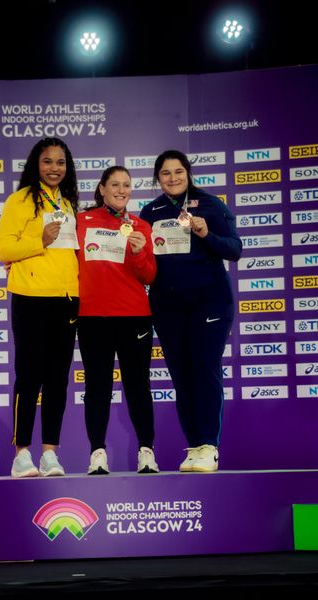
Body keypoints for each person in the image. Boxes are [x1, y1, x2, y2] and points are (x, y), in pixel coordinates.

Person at [139, 150, 242, 473]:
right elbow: (145, 264)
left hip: (209, 302)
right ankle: (195, 446)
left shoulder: (211, 205)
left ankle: (209, 446)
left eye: (178, 172)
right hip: (168, 306)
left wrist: (205, 233)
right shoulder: (150, 210)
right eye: (166, 173)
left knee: (205, 369)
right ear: (158, 178)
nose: (172, 178)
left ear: (188, 173)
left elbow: (234, 249)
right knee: (182, 376)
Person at [0, 137, 79, 478]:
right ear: (36, 164)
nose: (54, 168)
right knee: (29, 377)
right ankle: (21, 453)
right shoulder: (20, 200)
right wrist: (38, 240)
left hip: (66, 298)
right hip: (30, 297)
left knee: (58, 380)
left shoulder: (68, 203)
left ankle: (50, 454)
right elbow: (3, 249)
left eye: (60, 162)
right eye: (47, 161)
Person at [76, 166, 159, 475]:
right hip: (92, 317)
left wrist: (139, 252)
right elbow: (66, 262)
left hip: (134, 316)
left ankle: (146, 452)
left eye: (126, 185)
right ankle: (97, 453)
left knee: (138, 386)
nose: (121, 189)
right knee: (97, 387)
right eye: (115, 184)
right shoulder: (81, 222)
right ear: (102, 188)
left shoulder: (141, 226)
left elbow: (149, 275)